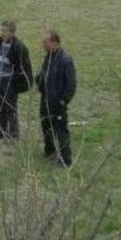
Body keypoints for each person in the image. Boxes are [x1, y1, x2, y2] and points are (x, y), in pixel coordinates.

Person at [35, 30, 77, 167]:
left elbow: (71, 85)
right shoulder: (49, 57)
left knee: (60, 130)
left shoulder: (65, 60)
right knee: (46, 126)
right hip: (46, 100)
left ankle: (65, 160)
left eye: (45, 42)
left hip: (58, 103)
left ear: (55, 43)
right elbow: (44, 76)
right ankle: (50, 151)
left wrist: (63, 101)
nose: (43, 45)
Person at [0, 20, 33, 139]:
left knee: (10, 109)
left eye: (5, 31)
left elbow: (23, 68)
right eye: (1, 30)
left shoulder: (19, 47)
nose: (2, 33)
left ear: (12, 33)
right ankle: (0, 132)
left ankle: (13, 135)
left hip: (9, 83)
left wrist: (16, 83)